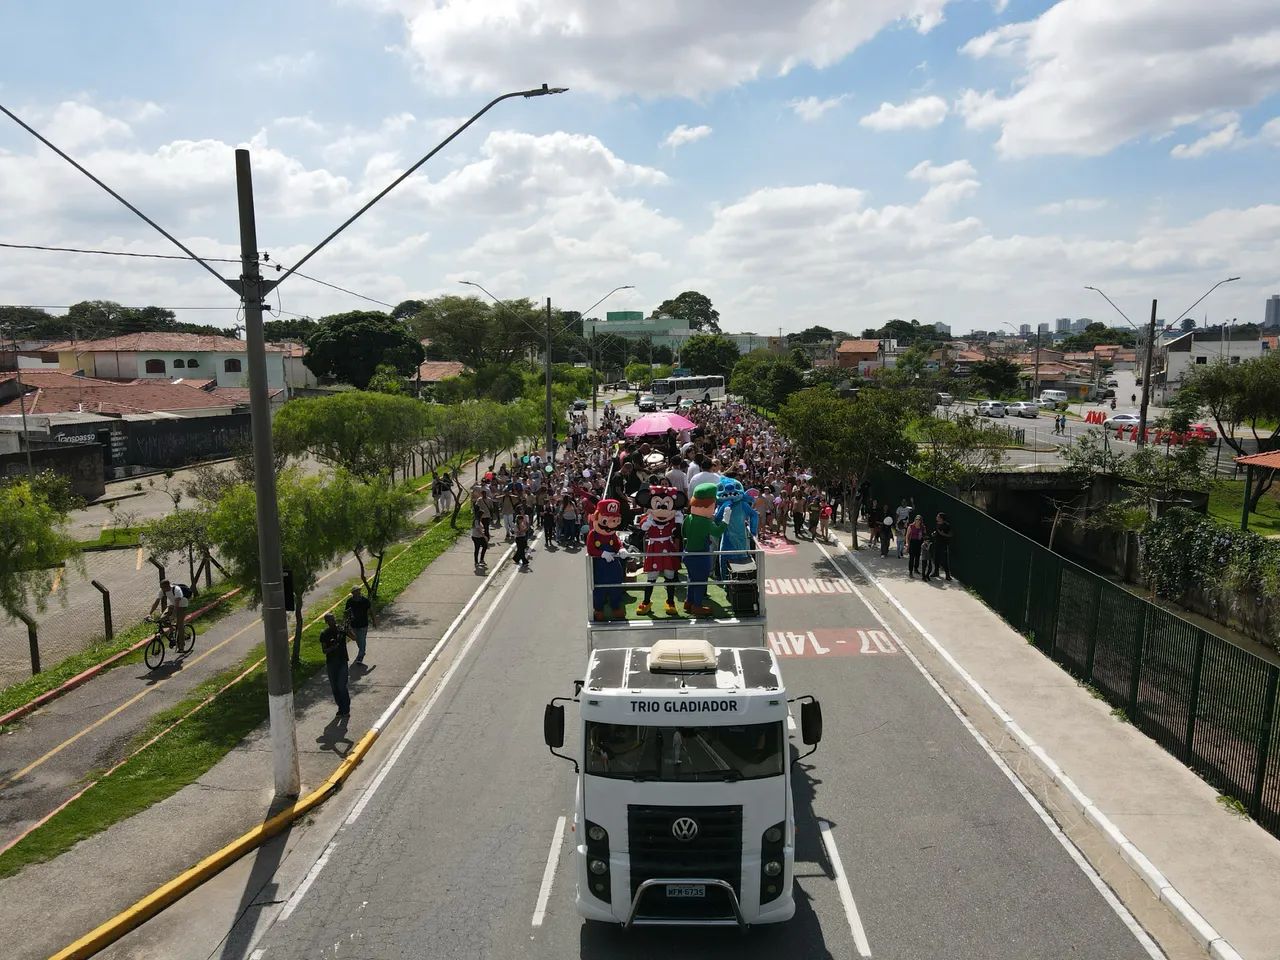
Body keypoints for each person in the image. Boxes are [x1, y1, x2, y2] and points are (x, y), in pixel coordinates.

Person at [319, 612, 353, 718]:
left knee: (341, 686)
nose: (332, 622)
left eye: (333, 619)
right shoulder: (325, 634)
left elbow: (354, 637)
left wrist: (347, 630)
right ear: (326, 622)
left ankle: (346, 709)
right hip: (331, 664)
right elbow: (324, 650)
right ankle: (340, 708)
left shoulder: (341, 630)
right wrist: (333, 647)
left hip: (342, 662)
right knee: (335, 688)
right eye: (329, 620)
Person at [149, 578, 190, 648]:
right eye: (161, 587)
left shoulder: (176, 589)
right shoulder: (162, 590)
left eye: (163, 587)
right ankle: (172, 630)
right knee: (162, 619)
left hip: (182, 605)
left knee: (180, 625)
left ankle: (181, 646)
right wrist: (149, 613)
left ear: (167, 586)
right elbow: (157, 602)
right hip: (173, 605)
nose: (161, 589)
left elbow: (177, 603)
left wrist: (172, 615)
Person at [343, 586, 373, 665]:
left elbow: (370, 610)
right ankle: (362, 650)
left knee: (362, 640)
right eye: (356, 591)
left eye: (358, 591)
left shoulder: (365, 600)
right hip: (354, 625)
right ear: (353, 593)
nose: (358, 592)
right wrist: (346, 621)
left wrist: (374, 621)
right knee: (357, 640)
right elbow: (346, 612)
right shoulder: (349, 601)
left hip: (363, 624)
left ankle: (360, 656)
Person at [932, 511, 953, 581]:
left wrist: (943, 534)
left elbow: (950, 535)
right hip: (937, 543)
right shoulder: (937, 524)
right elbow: (936, 532)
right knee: (936, 558)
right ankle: (936, 572)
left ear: (941, 518)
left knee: (944, 560)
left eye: (938, 516)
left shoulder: (947, 525)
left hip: (944, 544)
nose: (936, 517)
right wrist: (934, 533)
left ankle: (947, 575)